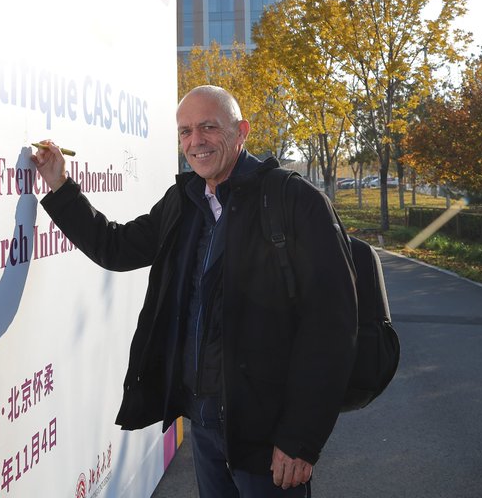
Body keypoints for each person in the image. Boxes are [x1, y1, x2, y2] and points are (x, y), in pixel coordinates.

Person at [30, 85, 357, 497]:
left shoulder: (294, 201)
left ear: (242, 132)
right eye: (185, 131)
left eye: (208, 127)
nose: (195, 141)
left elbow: (331, 329)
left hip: (268, 438)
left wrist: (300, 440)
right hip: (204, 428)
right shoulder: (183, 202)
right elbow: (114, 247)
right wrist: (60, 185)